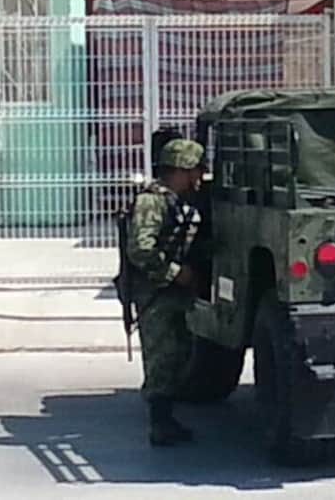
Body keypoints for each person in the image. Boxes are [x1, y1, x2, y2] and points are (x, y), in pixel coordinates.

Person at [126, 138, 205, 446]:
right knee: (161, 355)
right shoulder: (152, 202)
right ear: (182, 169)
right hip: (154, 291)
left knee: (179, 353)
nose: (199, 176)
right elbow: (141, 249)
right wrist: (175, 273)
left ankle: (167, 417)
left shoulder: (177, 200)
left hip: (171, 291)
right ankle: (160, 423)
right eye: (195, 170)